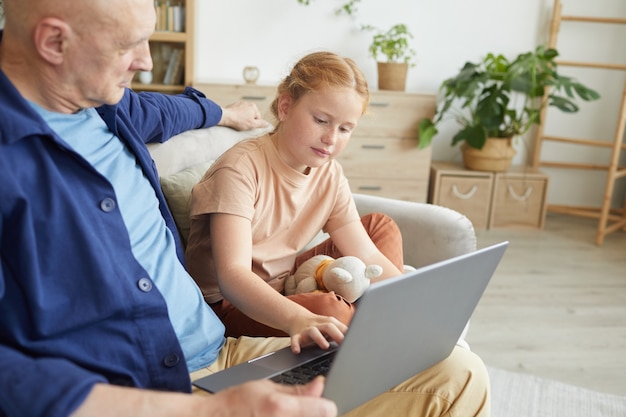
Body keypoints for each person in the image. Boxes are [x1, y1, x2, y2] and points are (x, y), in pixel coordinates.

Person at [0, 0, 491, 416]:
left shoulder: (106, 104)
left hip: (223, 350)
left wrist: (223, 112)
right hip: (143, 389)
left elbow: (168, 108)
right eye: (127, 46)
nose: (146, 62)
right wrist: (208, 410)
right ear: (54, 43)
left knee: (457, 372)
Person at [185, 51, 407, 341]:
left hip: (289, 282)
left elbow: (366, 253)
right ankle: (370, 325)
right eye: (321, 120)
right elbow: (233, 276)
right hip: (233, 306)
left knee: (379, 226)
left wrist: (409, 302)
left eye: (344, 129)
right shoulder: (240, 169)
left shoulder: (330, 174)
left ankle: (386, 318)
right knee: (332, 312)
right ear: (285, 107)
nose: (331, 138)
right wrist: (299, 318)